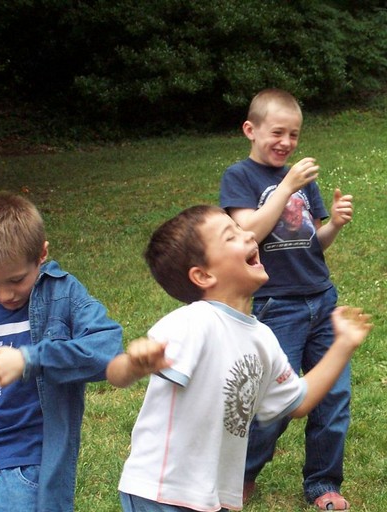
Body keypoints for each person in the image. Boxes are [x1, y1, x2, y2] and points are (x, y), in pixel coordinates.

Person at [107, 205, 371, 512]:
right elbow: (116, 375)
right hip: (162, 491)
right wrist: (133, 364)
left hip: (211, 497)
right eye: (231, 236)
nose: (248, 236)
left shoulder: (262, 337)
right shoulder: (195, 322)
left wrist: (342, 345)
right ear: (203, 275)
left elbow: (297, 402)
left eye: (241, 229)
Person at [219, 88, 356, 510]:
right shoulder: (240, 177)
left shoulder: (301, 179)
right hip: (275, 305)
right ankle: (240, 474)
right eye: (277, 132)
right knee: (272, 404)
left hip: (321, 298)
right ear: (250, 130)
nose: (286, 142)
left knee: (333, 395)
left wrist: (334, 224)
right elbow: (248, 234)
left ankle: (323, 482)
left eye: (294, 134)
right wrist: (287, 185)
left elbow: (313, 242)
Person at [0, 192, 123, 512]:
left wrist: (30, 358)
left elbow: (107, 347)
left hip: (27, 470)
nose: (5, 294)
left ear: (42, 253)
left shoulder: (63, 295)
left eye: (16, 280)